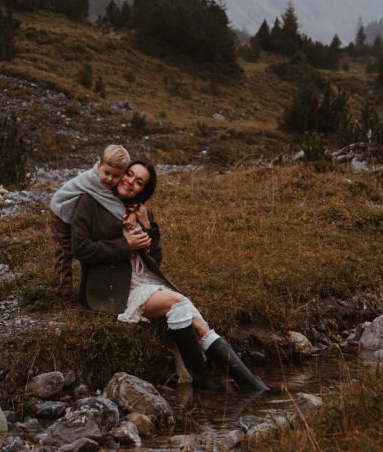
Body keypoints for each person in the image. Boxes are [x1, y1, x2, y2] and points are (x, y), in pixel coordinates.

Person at [71, 161, 268, 391]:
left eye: (139, 182)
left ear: (144, 190)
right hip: (112, 288)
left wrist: (147, 225)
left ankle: (246, 384)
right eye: (129, 174)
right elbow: (81, 249)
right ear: (120, 173)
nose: (130, 182)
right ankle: (210, 381)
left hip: (145, 280)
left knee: (198, 325)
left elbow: (154, 261)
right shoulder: (90, 202)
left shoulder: (140, 212)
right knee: (177, 302)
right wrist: (125, 244)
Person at [49, 144, 131, 305]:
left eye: (116, 176)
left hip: (78, 214)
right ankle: (64, 298)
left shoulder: (106, 182)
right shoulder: (93, 181)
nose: (109, 179)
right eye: (106, 173)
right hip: (61, 212)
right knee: (64, 253)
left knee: (85, 249)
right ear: (99, 166)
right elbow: (112, 204)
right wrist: (126, 217)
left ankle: (88, 289)